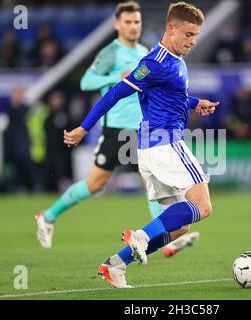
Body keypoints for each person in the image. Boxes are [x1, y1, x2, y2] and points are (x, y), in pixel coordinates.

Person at [64, 2, 219, 288]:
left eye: (195, 35)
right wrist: (84, 128)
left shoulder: (174, 60)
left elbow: (173, 95)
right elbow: (115, 94)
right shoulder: (154, 63)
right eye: (188, 34)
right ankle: (141, 236)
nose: (193, 41)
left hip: (150, 149)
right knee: (203, 206)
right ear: (171, 28)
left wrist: (197, 103)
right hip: (166, 144)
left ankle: (117, 264)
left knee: (180, 225)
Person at [36, 1, 200, 257]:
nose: (133, 27)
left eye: (137, 22)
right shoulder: (111, 52)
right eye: (128, 22)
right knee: (95, 184)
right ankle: (47, 216)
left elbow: (163, 93)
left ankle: (161, 238)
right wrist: (117, 77)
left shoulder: (147, 52)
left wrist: (195, 103)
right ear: (117, 25)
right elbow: (86, 81)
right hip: (115, 130)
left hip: (141, 131)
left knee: (152, 184)